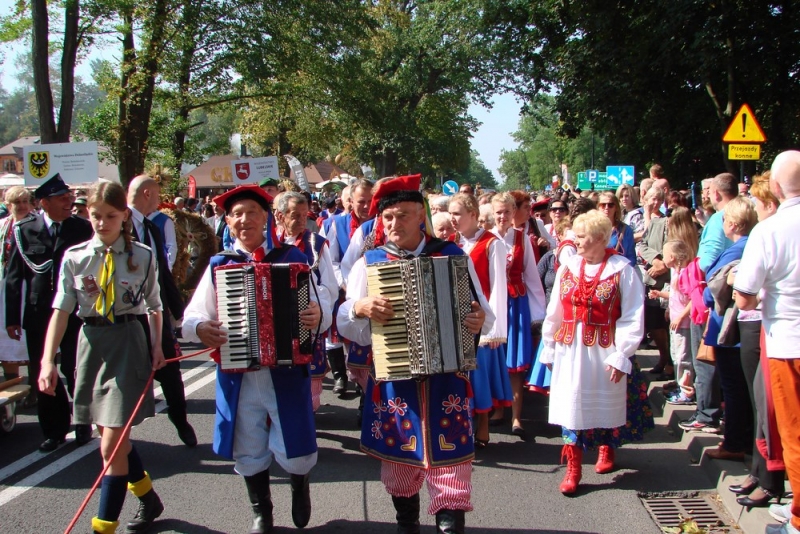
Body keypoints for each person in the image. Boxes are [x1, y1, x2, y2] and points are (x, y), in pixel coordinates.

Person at [337, 175, 492, 534]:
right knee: (400, 460)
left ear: (421, 216)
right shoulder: (369, 262)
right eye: (388, 217)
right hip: (395, 378)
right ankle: (406, 521)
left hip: (447, 377)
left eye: (403, 215)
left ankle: (450, 522)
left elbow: (483, 311)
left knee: (450, 458)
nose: (394, 224)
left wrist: (478, 320)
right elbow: (345, 322)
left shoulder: (452, 255)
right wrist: (359, 307)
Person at [182, 184, 329, 533]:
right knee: (246, 440)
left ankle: (299, 485)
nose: (244, 220)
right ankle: (261, 510)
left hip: (286, 370)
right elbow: (192, 317)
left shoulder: (292, 258)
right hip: (239, 372)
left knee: (295, 443)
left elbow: (320, 303)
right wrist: (200, 327)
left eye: (251, 212)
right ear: (228, 222)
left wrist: (316, 314)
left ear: (265, 218)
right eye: (236, 214)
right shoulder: (221, 264)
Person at [39, 181, 166, 534]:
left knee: (111, 444)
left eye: (110, 216)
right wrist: (48, 361)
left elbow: (154, 305)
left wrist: (157, 346)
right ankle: (149, 498)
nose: (101, 223)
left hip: (128, 343)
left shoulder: (142, 255)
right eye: (95, 215)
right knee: (114, 440)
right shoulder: (76, 257)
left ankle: (103, 527)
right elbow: (61, 311)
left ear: (124, 215)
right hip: (92, 345)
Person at [540, 210, 648, 495]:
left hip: (604, 349)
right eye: (575, 235)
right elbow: (555, 310)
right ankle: (573, 467)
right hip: (570, 349)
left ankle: (606, 447)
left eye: (582, 236)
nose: (575, 241)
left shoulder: (622, 270)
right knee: (571, 406)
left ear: (600, 238)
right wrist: (549, 345)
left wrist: (622, 353)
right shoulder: (568, 267)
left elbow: (633, 315)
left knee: (605, 403)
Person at [5, 174, 94, 451]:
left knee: (75, 367)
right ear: (44, 202)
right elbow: (13, 276)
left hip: (74, 311)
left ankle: (83, 421)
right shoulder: (24, 229)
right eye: (62, 198)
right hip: (39, 312)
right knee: (42, 369)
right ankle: (54, 430)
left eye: (69, 197)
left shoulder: (82, 228)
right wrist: (11, 318)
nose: (69, 202)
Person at [727, 172, 786, 510]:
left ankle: (770, 480)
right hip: (762, 326)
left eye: (758, 203)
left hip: (766, 327)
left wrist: (738, 281)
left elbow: (745, 296)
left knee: (765, 406)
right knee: (759, 404)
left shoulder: (769, 231)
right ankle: (759, 471)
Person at [128, 176, 197, 447]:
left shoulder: (152, 228)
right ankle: (119, 443)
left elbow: (162, 274)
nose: (159, 201)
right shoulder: (117, 223)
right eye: (157, 196)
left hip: (155, 311)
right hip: (126, 317)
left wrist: (179, 311)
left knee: (171, 369)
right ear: (147, 193)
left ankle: (180, 419)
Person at [448, 192, 510, 449]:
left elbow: (498, 287)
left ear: (473, 214)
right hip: (455, 320)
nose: (453, 219)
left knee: (479, 377)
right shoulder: (450, 243)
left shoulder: (492, 244)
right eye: (450, 214)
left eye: (457, 214)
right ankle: (460, 428)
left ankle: (483, 423)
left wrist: (493, 330)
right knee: (458, 378)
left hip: (481, 320)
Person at [701, 196, 757, 461]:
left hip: (731, 328)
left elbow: (712, 289)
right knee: (740, 388)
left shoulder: (737, 249)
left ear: (732, 224)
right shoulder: (749, 245)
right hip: (738, 328)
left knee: (734, 388)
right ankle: (743, 439)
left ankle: (735, 443)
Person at [273, 191, 338, 411]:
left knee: (309, 392)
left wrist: (320, 311)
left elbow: (329, 286)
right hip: (275, 324)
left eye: (304, 215)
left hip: (307, 322)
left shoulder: (315, 244)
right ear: (279, 216)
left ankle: (306, 419)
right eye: (295, 215)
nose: (302, 221)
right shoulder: (269, 243)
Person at [490, 192, 547, 436]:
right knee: (495, 358)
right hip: (492, 306)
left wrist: (539, 313)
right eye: (498, 212)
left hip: (515, 304)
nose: (503, 216)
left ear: (514, 213)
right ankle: (497, 410)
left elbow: (532, 276)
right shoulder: (486, 238)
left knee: (514, 364)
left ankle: (516, 417)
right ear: (492, 214)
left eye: (507, 212)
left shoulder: (522, 239)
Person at [647, 240, 695, 405]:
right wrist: (659, 294)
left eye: (665, 254)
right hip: (675, 322)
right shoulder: (676, 273)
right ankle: (680, 385)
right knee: (675, 355)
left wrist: (681, 316)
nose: (662, 258)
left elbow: (693, 299)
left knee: (683, 357)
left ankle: (686, 391)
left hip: (684, 324)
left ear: (672, 257)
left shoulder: (686, 274)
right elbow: (676, 296)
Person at [0, 186, 33, 382]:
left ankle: (35, 389)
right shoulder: (3, 226)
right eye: (16, 202)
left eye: (24, 201)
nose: (21, 206)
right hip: (6, 287)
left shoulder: (38, 225)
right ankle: (11, 383)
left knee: (32, 336)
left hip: (30, 286)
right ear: (8, 205)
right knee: (5, 336)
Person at [597, 191, 636, 265]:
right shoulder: (591, 228)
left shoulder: (626, 230)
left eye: (610, 205)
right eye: (603, 205)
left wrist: (622, 269)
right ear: (598, 207)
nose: (606, 208)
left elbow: (631, 257)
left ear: (616, 208)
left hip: (618, 269)